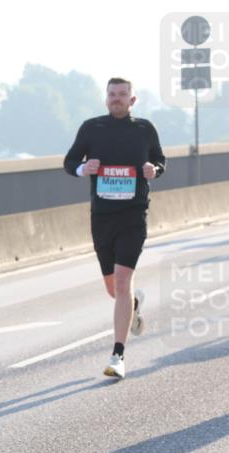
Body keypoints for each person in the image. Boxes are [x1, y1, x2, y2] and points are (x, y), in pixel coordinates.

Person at [64, 77, 165, 379]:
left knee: (122, 282)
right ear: (106, 99)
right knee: (114, 290)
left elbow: (159, 160)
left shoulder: (144, 129)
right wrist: (84, 169)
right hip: (102, 217)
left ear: (133, 100)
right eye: (112, 94)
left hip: (133, 216)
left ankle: (118, 356)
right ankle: (133, 305)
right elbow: (70, 162)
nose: (117, 99)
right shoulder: (92, 128)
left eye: (123, 94)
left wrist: (154, 170)